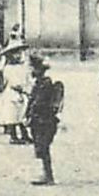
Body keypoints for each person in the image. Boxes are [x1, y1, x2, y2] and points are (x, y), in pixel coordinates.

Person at [25, 52, 64, 186]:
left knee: (43, 147)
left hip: (44, 120)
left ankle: (48, 175)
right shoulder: (40, 83)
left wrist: (31, 112)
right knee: (40, 147)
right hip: (39, 120)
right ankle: (45, 174)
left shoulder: (45, 84)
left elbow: (39, 102)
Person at [1, 41, 31, 143]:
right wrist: (19, 88)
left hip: (21, 93)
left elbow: (27, 79)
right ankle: (13, 136)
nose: (18, 56)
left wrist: (27, 88)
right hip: (12, 92)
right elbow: (10, 81)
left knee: (22, 114)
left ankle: (24, 134)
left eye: (19, 53)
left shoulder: (23, 67)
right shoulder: (8, 68)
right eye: (15, 53)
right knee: (12, 115)